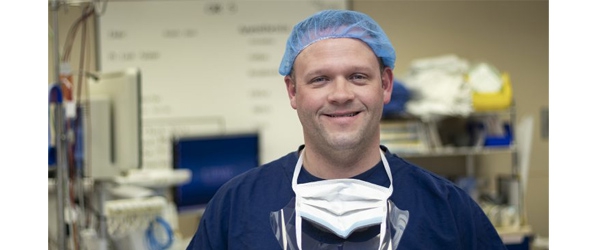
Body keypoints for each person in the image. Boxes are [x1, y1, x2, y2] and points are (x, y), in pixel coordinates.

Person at [187, 9, 507, 250]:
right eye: (319, 79)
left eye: (357, 76)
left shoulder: (448, 209)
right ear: (293, 92)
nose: (341, 95)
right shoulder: (236, 207)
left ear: (385, 85)